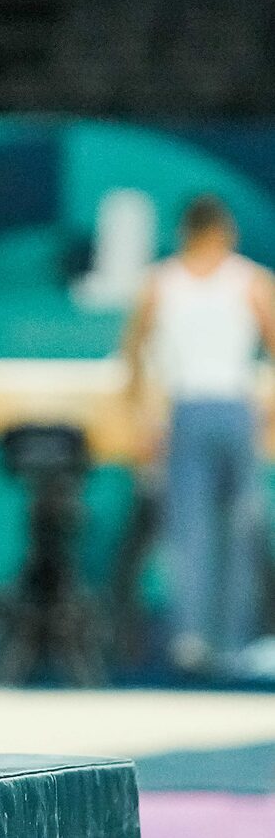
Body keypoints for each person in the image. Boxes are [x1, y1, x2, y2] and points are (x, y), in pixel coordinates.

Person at [122, 193, 275, 674]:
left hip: (205, 410)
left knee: (210, 530)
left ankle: (211, 641)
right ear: (223, 231)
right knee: (208, 530)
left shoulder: (166, 283)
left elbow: (133, 356)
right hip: (215, 409)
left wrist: (143, 415)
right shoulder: (247, 280)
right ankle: (209, 641)